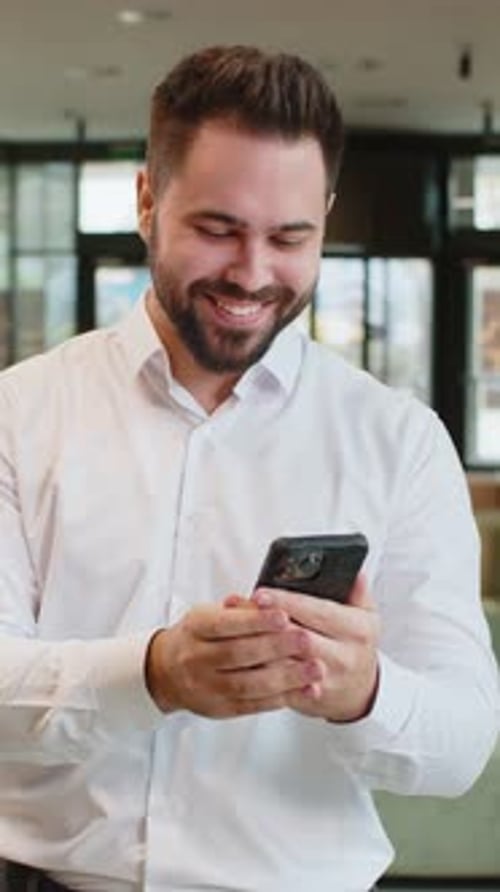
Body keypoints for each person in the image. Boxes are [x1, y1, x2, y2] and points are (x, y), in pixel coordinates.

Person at [0, 45, 498, 892]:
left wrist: (362, 691)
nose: (253, 273)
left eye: (290, 238)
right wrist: (154, 673)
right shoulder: (18, 414)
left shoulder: (400, 440)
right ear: (148, 199)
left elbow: (462, 744)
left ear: (326, 219)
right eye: (218, 229)